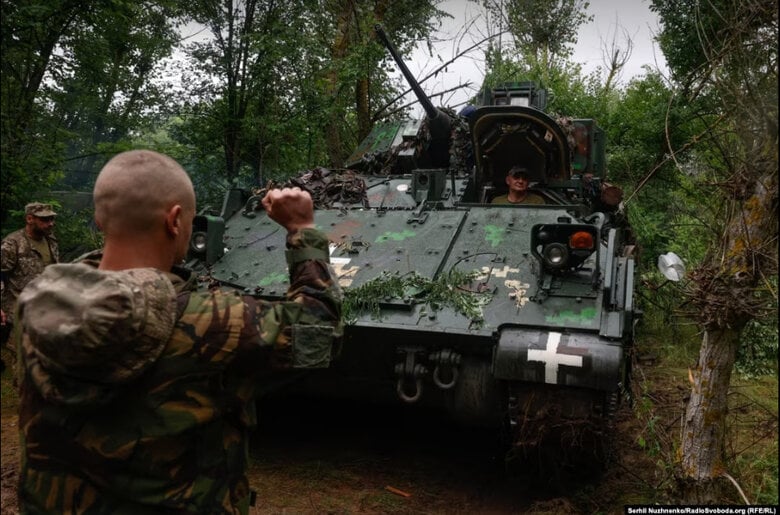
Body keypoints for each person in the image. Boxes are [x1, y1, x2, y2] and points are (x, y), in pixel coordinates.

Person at [14, 150, 342, 513]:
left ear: (98, 218)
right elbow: (318, 331)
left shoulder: (36, 305)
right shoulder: (213, 321)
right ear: (174, 220)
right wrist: (302, 230)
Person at [1, 202, 59, 348]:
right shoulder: (13, 244)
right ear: (30, 219)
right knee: (19, 359)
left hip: (45, 312)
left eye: (52, 219)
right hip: (19, 314)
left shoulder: (51, 240)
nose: (51, 223)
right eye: (45, 220)